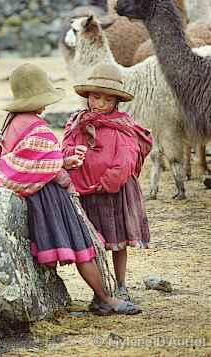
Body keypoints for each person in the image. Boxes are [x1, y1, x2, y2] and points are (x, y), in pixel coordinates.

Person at [0, 63, 141, 316]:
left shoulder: (12, 122)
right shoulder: (37, 128)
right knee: (83, 247)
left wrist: (63, 161)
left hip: (33, 194)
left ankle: (103, 295)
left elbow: (34, 162)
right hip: (50, 197)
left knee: (83, 247)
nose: (46, 106)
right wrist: (65, 167)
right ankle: (104, 298)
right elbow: (46, 167)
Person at [62, 63, 153, 309]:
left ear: (116, 102)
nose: (100, 104)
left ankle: (121, 285)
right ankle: (101, 290)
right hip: (86, 193)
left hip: (114, 193)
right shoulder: (77, 123)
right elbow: (63, 150)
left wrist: (107, 183)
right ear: (87, 97)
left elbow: (126, 159)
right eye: (95, 97)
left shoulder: (123, 126)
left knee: (118, 241)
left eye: (107, 99)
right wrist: (73, 152)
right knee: (94, 243)